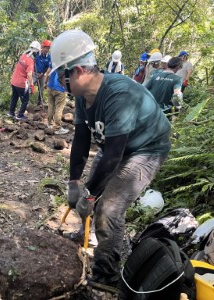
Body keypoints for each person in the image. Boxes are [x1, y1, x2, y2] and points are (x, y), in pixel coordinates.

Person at [50, 30, 171, 288]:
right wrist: (74, 182)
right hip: (115, 145)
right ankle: (90, 236)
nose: (62, 82)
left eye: (64, 75)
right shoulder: (83, 96)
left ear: (79, 70)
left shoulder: (118, 94)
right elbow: (82, 139)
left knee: (108, 208)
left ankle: (107, 273)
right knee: (90, 191)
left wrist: (91, 194)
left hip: (146, 149)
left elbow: (114, 155)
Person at [7, 41, 41, 120]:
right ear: (36, 52)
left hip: (14, 80)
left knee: (14, 97)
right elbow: (29, 75)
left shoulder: (23, 56)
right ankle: (20, 115)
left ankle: (11, 112)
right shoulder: (30, 61)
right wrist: (31, 85)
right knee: (25, 100)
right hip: (21, 83)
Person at [46, 70, 69, 135]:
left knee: (50, 105)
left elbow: (48, 72)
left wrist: (45, 82)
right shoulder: (64, 63)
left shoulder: (53, 61)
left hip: (50, 86)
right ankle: (57, 127)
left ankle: (49, 124)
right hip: (60, 88)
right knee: (59, 108)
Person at [34, 40, 52, 108]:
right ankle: (25, 102)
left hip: (41, 74)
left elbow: (48, 66)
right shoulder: (36, 53)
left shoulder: (48, 56)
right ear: (42, 47)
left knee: (41, 88)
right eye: (46, 48)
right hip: (33, 73)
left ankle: (39, 102)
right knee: (30, 87)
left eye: (48, 48)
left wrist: (42, 73)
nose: (47, 50)